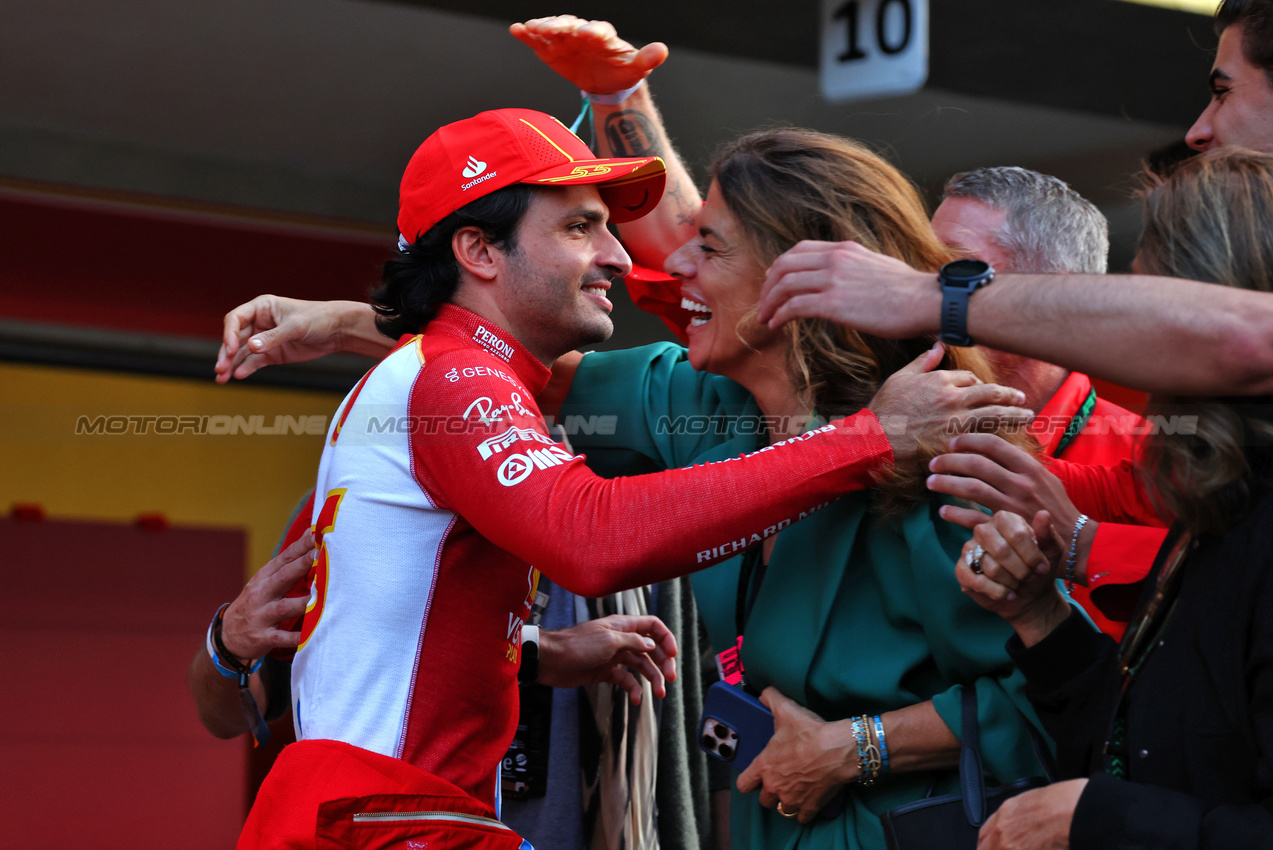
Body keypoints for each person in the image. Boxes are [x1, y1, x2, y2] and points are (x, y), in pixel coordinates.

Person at [235, 107, 1025, 850]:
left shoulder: (941, 448)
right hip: (392, 814)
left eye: (707, 248)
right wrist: (865, 442)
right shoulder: (677, 398)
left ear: (806, 279)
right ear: (477, 251)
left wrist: (859, 747)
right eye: (582, 227)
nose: (642, 261)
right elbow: (584, 525)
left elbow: (1057, 693)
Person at [943, 147, 1273, 850]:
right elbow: (1136, 740)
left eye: (1145, 280)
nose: (1119, 298)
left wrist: (1098, 819)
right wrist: (1036, 615)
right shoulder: (1211, 493)